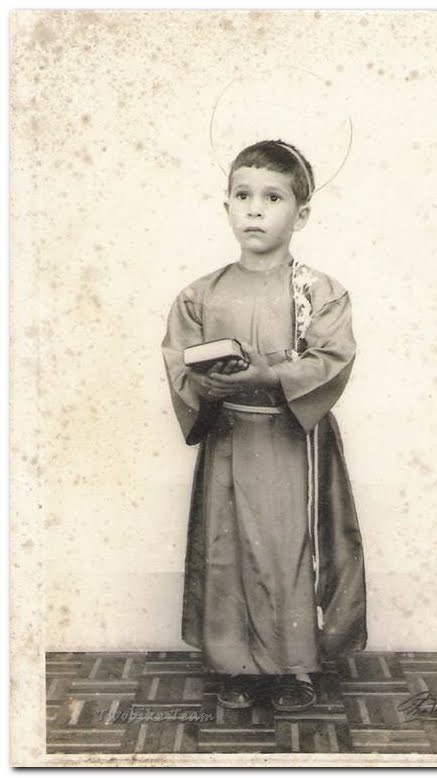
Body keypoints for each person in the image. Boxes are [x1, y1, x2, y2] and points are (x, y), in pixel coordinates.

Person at [162, 140, 367, 713]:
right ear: (226, 204)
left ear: (301, 214)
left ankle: (295, 666)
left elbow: (332, 358)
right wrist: (208, 387)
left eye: (273, 198)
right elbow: (180, 360)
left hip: (291, 442)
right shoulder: (199, 295)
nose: (254, 209)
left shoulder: (320, 292)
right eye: (243, 195)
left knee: (287, 549)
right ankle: (236, 665)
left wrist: (271, 375)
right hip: (229, 440)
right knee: (226, 550)